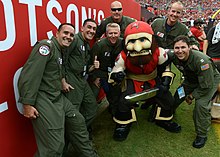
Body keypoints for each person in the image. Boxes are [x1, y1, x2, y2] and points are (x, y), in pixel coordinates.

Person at [18, 23, 98, 157]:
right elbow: (29, 75)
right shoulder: (46, 46)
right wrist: (27, 104)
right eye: (65, 33)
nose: (68, 37)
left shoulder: (60, 49)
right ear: (57, 33)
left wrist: (62, 81)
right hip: (44, 98)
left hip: (57, 96)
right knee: (54, 147)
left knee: (78, 121)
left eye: (71, 35)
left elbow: (56, 69)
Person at [108, 21, 181, 141]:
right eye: (132, 42)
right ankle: (123, 124)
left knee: (167, 99)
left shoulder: (159, 52)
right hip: (133, 79)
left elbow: (166, 68)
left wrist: (166, 82)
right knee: (124, 100)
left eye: (143, 40)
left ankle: (163, 120)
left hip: (152, 79)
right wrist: (118, 75)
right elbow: (117, 69)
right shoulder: (123, 55)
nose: (137, 47)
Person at [168, 35, 220, 148]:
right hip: (191, 79)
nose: (180, 51)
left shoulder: (202, 61)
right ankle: (168, 114)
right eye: (177, 48)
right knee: (178, 95)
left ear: (189, 48)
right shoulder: (173, 55)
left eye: (183, 47)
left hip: (208, 81)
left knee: (201, 106)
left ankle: (202, 135)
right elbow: (161, 54)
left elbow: (206, 85)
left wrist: (191, 96)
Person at [62, 19, 99, 137]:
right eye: (89, 27)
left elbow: (83, 66)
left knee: (92, 107)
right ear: (82, 28)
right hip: (72, 79)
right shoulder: (75, 40)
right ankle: (73, 138)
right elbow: (62, 60)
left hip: (82, 79)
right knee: (73, 112)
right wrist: (63, 80)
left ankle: (80, 132)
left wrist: (93, 67)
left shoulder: (86, 44)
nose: (91, 31)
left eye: (94, 29)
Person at [90, 23, 123, 114]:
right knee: (108, 93)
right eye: (110, 33)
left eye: (115, 33)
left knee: (119, 94)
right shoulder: (99, 45)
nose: (113, 36)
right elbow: (92, 63)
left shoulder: (123, 43)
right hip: (103, 74)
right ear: (106, 33)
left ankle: (116, 110)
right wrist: (96, 77)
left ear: (119, 33)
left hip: (118, 73)